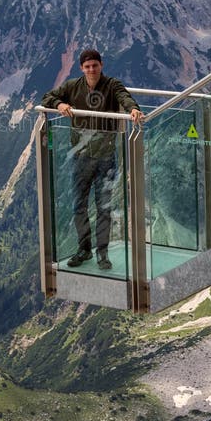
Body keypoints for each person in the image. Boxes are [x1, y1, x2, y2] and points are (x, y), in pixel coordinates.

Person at [41, 49, 142, 270]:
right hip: (81, 157)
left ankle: (102, 254)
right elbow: (47, 98)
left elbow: (125, 98)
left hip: (106, 157)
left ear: (101, 65)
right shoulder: (72, 86)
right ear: (81, 69)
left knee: (103, 207)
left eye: (94, 65)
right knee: (79, 206)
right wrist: (60, 105)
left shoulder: (112, 85)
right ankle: (84, 249)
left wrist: (133, 109)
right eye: (87, 67)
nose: (91, 70)